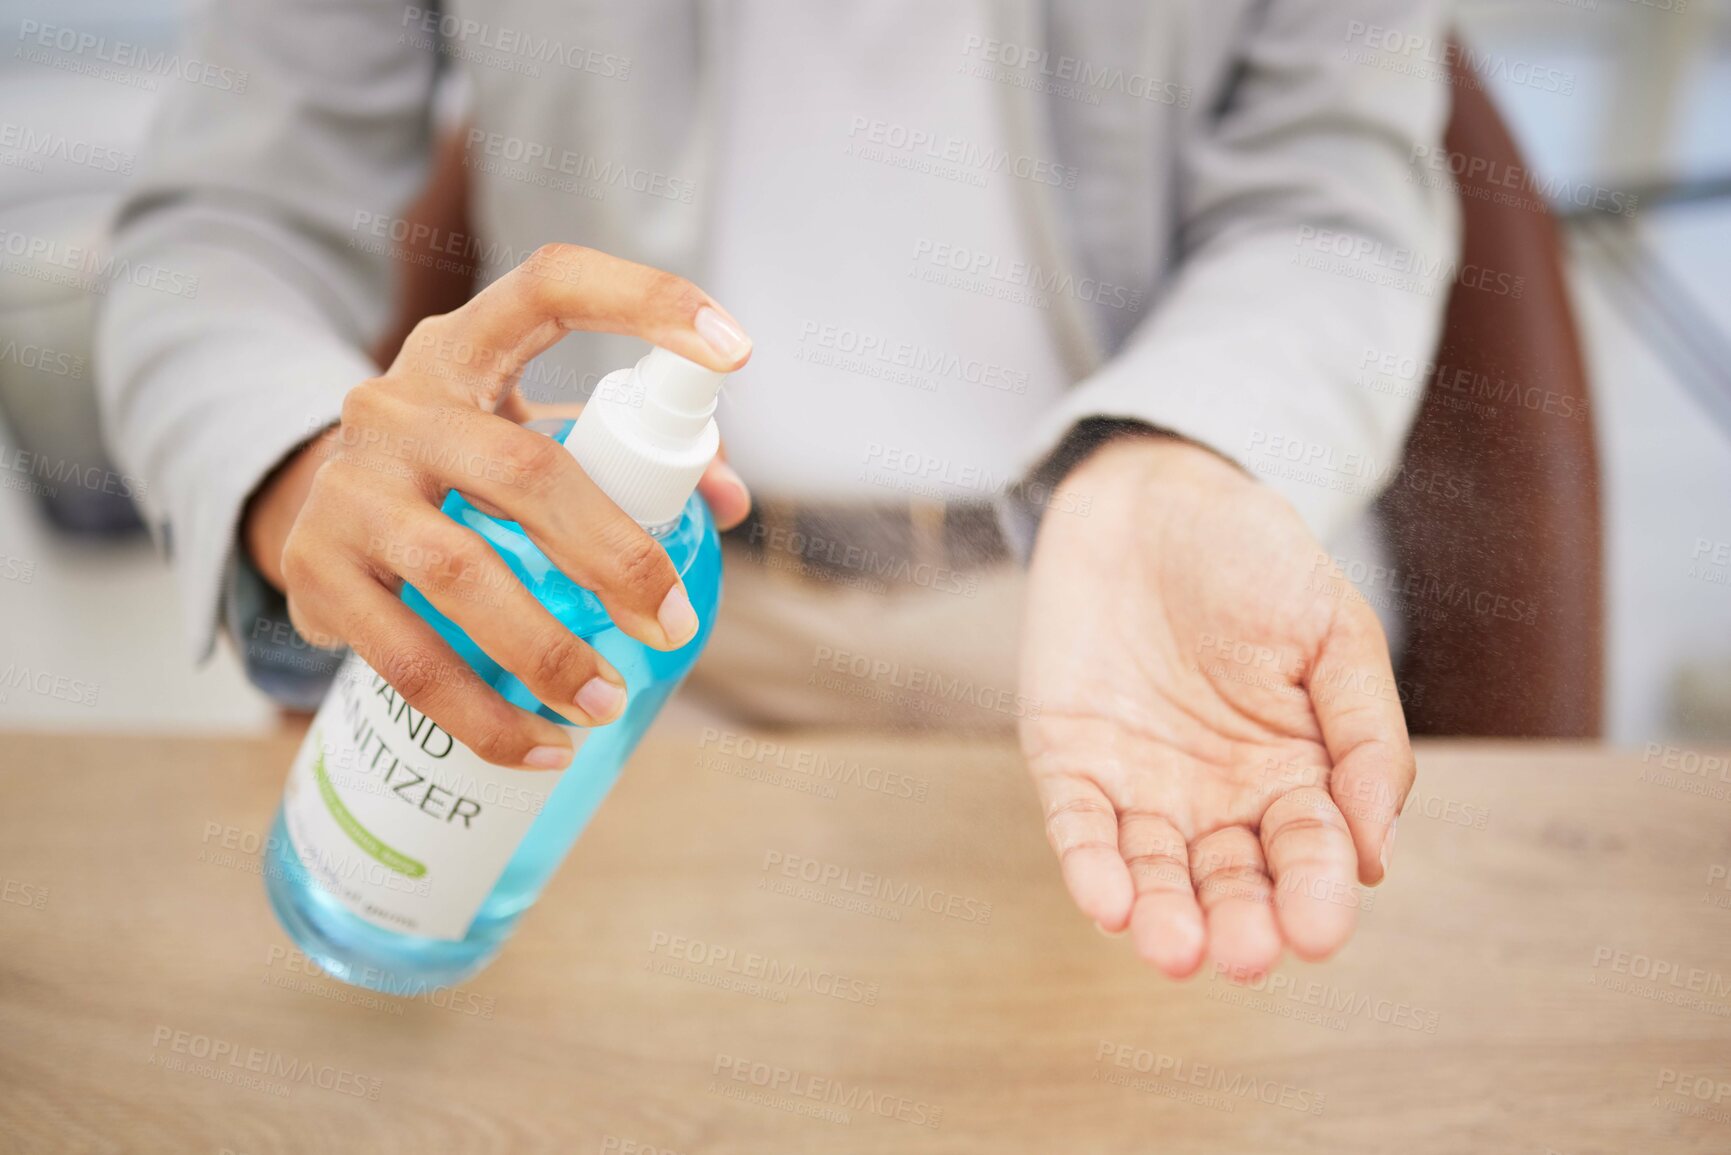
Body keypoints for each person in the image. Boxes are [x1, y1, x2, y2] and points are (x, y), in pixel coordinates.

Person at [97, 0, 1456, 981]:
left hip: (1137, 633)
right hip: (600, 627)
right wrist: (299, 465)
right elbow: (224, 226)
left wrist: (1181, 455)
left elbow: (1336, 209)